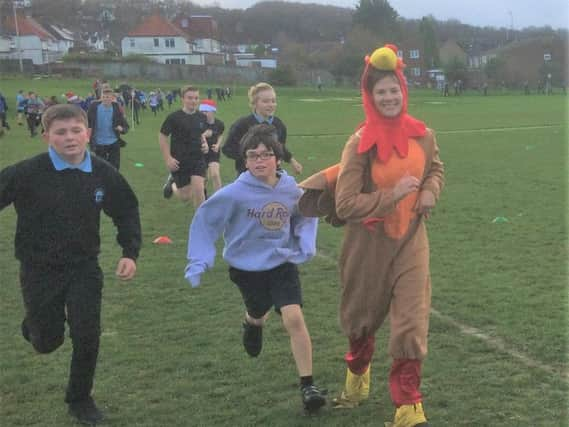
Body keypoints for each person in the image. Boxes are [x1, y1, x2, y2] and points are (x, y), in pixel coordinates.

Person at [298, 44, 444, 426]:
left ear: (403, 90)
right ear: (370, 96)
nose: (390, 97)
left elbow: (436, 169)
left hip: (412, 239)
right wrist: (390, 196)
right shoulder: (358, 143)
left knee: (412, 321)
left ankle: (409, 406)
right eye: (381, 91)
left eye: (394, 89)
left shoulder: (423, 135)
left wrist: (428, 192)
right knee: (360, 319)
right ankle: (357, 379)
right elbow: (345, 205)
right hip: (367, 246)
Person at [0, 104, 141, 425]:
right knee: (47, 341)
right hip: (38, 270)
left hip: (84, 268)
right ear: (47, 136)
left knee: (87, 333)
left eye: (76, 130)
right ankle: (35, 327)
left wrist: (129, 252)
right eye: (60, 132)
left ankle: (80, 399)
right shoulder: (26, 172)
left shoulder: (103, 173)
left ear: (88, 133)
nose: (70, 138)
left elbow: (127, 211)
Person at [185, 124, 326, 413]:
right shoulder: (235, 193)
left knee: (294, 318)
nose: (260, 161)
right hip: (246, 267)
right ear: (245, 161)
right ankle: (252, 321)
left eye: (266, 154)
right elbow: (205, 220)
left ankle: (308, 385)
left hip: (282, 262)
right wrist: (199, 260)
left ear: (278, 158)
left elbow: (306, 215)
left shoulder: (291, 190)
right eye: (253, 156)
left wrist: (305, 243)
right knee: (259, 311)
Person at [222, 82, 303, 176]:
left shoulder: (279, 125)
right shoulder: (242, 124)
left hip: (273, 175)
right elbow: (227, 149)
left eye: (273, 101)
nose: (271, 105)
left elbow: (280, 147)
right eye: (265, 101)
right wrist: (250, 157)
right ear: (254, 103)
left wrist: (292, 161)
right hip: (248, 176)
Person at [159, 85, 210, 208]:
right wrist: (168, 158)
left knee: (199, 190)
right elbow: (162, 136)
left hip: (197, 159)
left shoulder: (202, 117)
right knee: (185, 196)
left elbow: (201, 134)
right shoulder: (174, 118)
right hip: (179, 161)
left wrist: (205, 145)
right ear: (182, 99)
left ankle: (201, 223)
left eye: (196, 98)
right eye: (190, 98)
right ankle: (172, 183)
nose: (193, 101)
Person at [87, 87, 129, 170]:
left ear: (112, 98)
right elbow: (87, 123)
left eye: (108, 97)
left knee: (115, 167)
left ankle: (113, 182)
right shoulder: (94, 107)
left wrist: (122, 129)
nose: (106, 99)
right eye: (104, 97)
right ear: (101, 97)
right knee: (101, 167)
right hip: (99, 143)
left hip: (114, 142)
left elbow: (126, 126)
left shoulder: (116, 108)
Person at [199, 99, 225, 194]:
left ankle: (219, 198)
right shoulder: (199, 124)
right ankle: (202, 197)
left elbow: (220, 135)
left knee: (215, 174)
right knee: (203, 179)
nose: (203, 113)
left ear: (213, 111)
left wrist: (218, 145)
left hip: (214, 152)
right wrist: (203, 136)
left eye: (206, 111)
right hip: (201, 153)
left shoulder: (219, 124)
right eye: (201, 111)